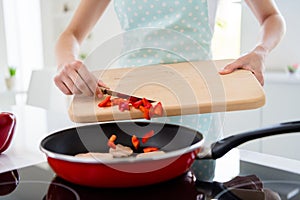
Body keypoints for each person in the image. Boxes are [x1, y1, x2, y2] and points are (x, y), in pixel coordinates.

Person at [54, 0, 285, 181]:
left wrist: (261, 51)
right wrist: (66, 62)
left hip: (198, 106)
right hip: (130, 108)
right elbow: (71, 34)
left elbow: (272, 17)